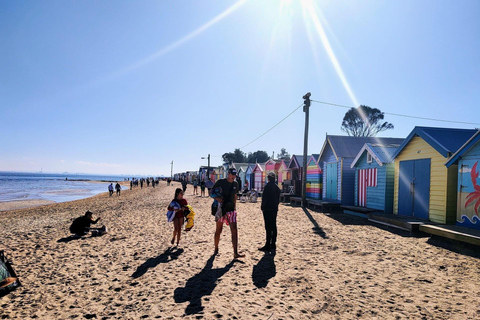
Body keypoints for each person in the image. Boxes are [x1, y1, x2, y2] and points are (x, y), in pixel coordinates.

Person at [211, 168, 245, 259]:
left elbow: (235, 195)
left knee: (234, 230)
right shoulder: (220, 182)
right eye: (232, 175)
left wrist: (234, 207)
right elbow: (211, 193)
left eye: (235, 175)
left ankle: (235, 253)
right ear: (228, 174)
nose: (233, 177)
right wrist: (218, 199)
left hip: (231, 210)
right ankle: (216, 248)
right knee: (219, 229)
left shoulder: (235, 184)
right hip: (221, 209)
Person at [259, 172, 281, 252]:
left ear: (268, 178)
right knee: (274, 226)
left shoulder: (267, 187)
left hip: (268, 209)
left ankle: (268, 244)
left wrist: (263, 207)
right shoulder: (277, 188)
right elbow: (278, 199)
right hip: (274, 209)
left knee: (268, 227)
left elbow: (264, 198)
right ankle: (273, 244)